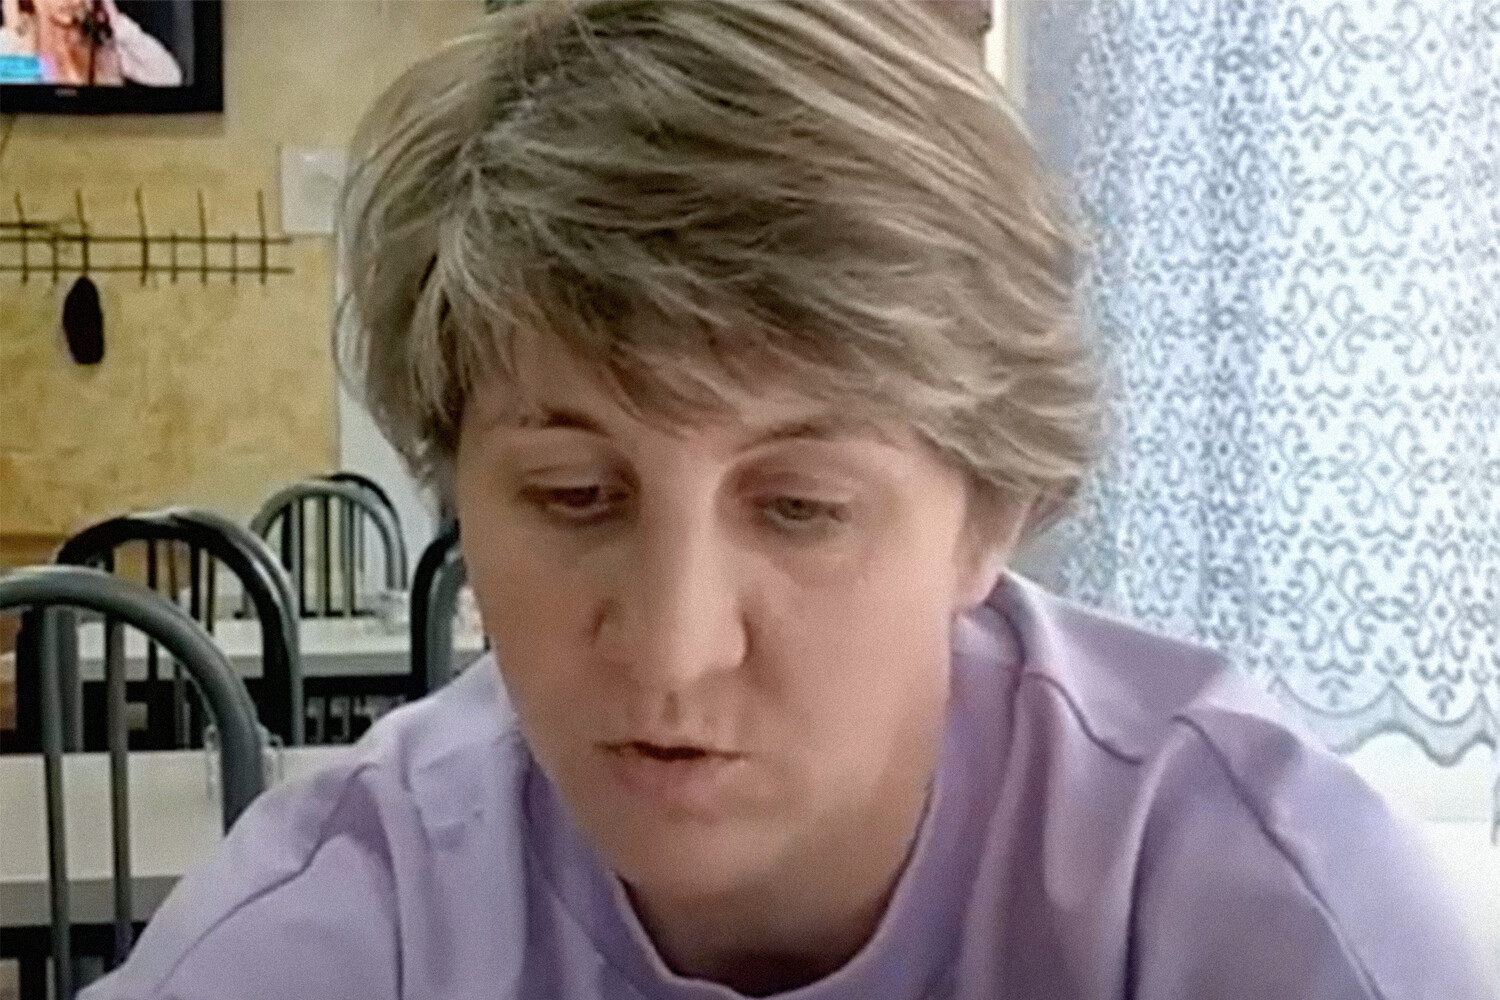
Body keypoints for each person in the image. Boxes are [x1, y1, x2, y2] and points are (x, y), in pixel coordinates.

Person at [81, 1, 1492, 997]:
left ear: (992, 516)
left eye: (802, 506)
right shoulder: (350, 923)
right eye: (573, 494)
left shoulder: (1250, 904)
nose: (673, 647)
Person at [0, 0, 181, 87]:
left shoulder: (105, 40)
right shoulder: (15, 42)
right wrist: (12, 35)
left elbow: (169, 77)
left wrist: (117, 23)